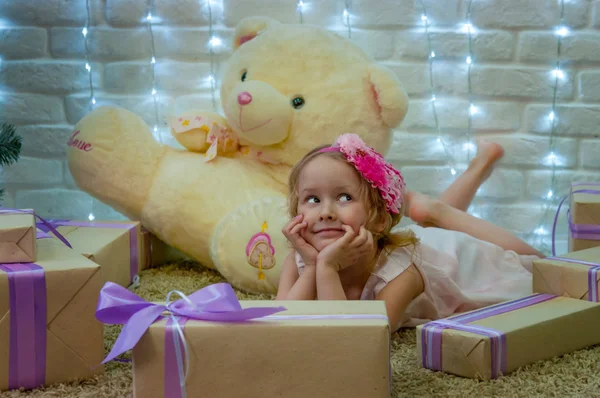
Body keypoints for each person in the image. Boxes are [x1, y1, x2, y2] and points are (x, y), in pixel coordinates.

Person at [276, 133, 544, 331]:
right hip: (421, 242)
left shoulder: (401, 273)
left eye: (345, 197)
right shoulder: (302, 259)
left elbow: (353, 337)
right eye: (312, 199)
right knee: (422, 230)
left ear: (379, 220)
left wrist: (327, 268)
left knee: (540, 265)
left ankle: (440, 210)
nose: (326, 212)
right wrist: (314, 266)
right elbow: (281, 324)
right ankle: (432, 210)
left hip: (454, 257)